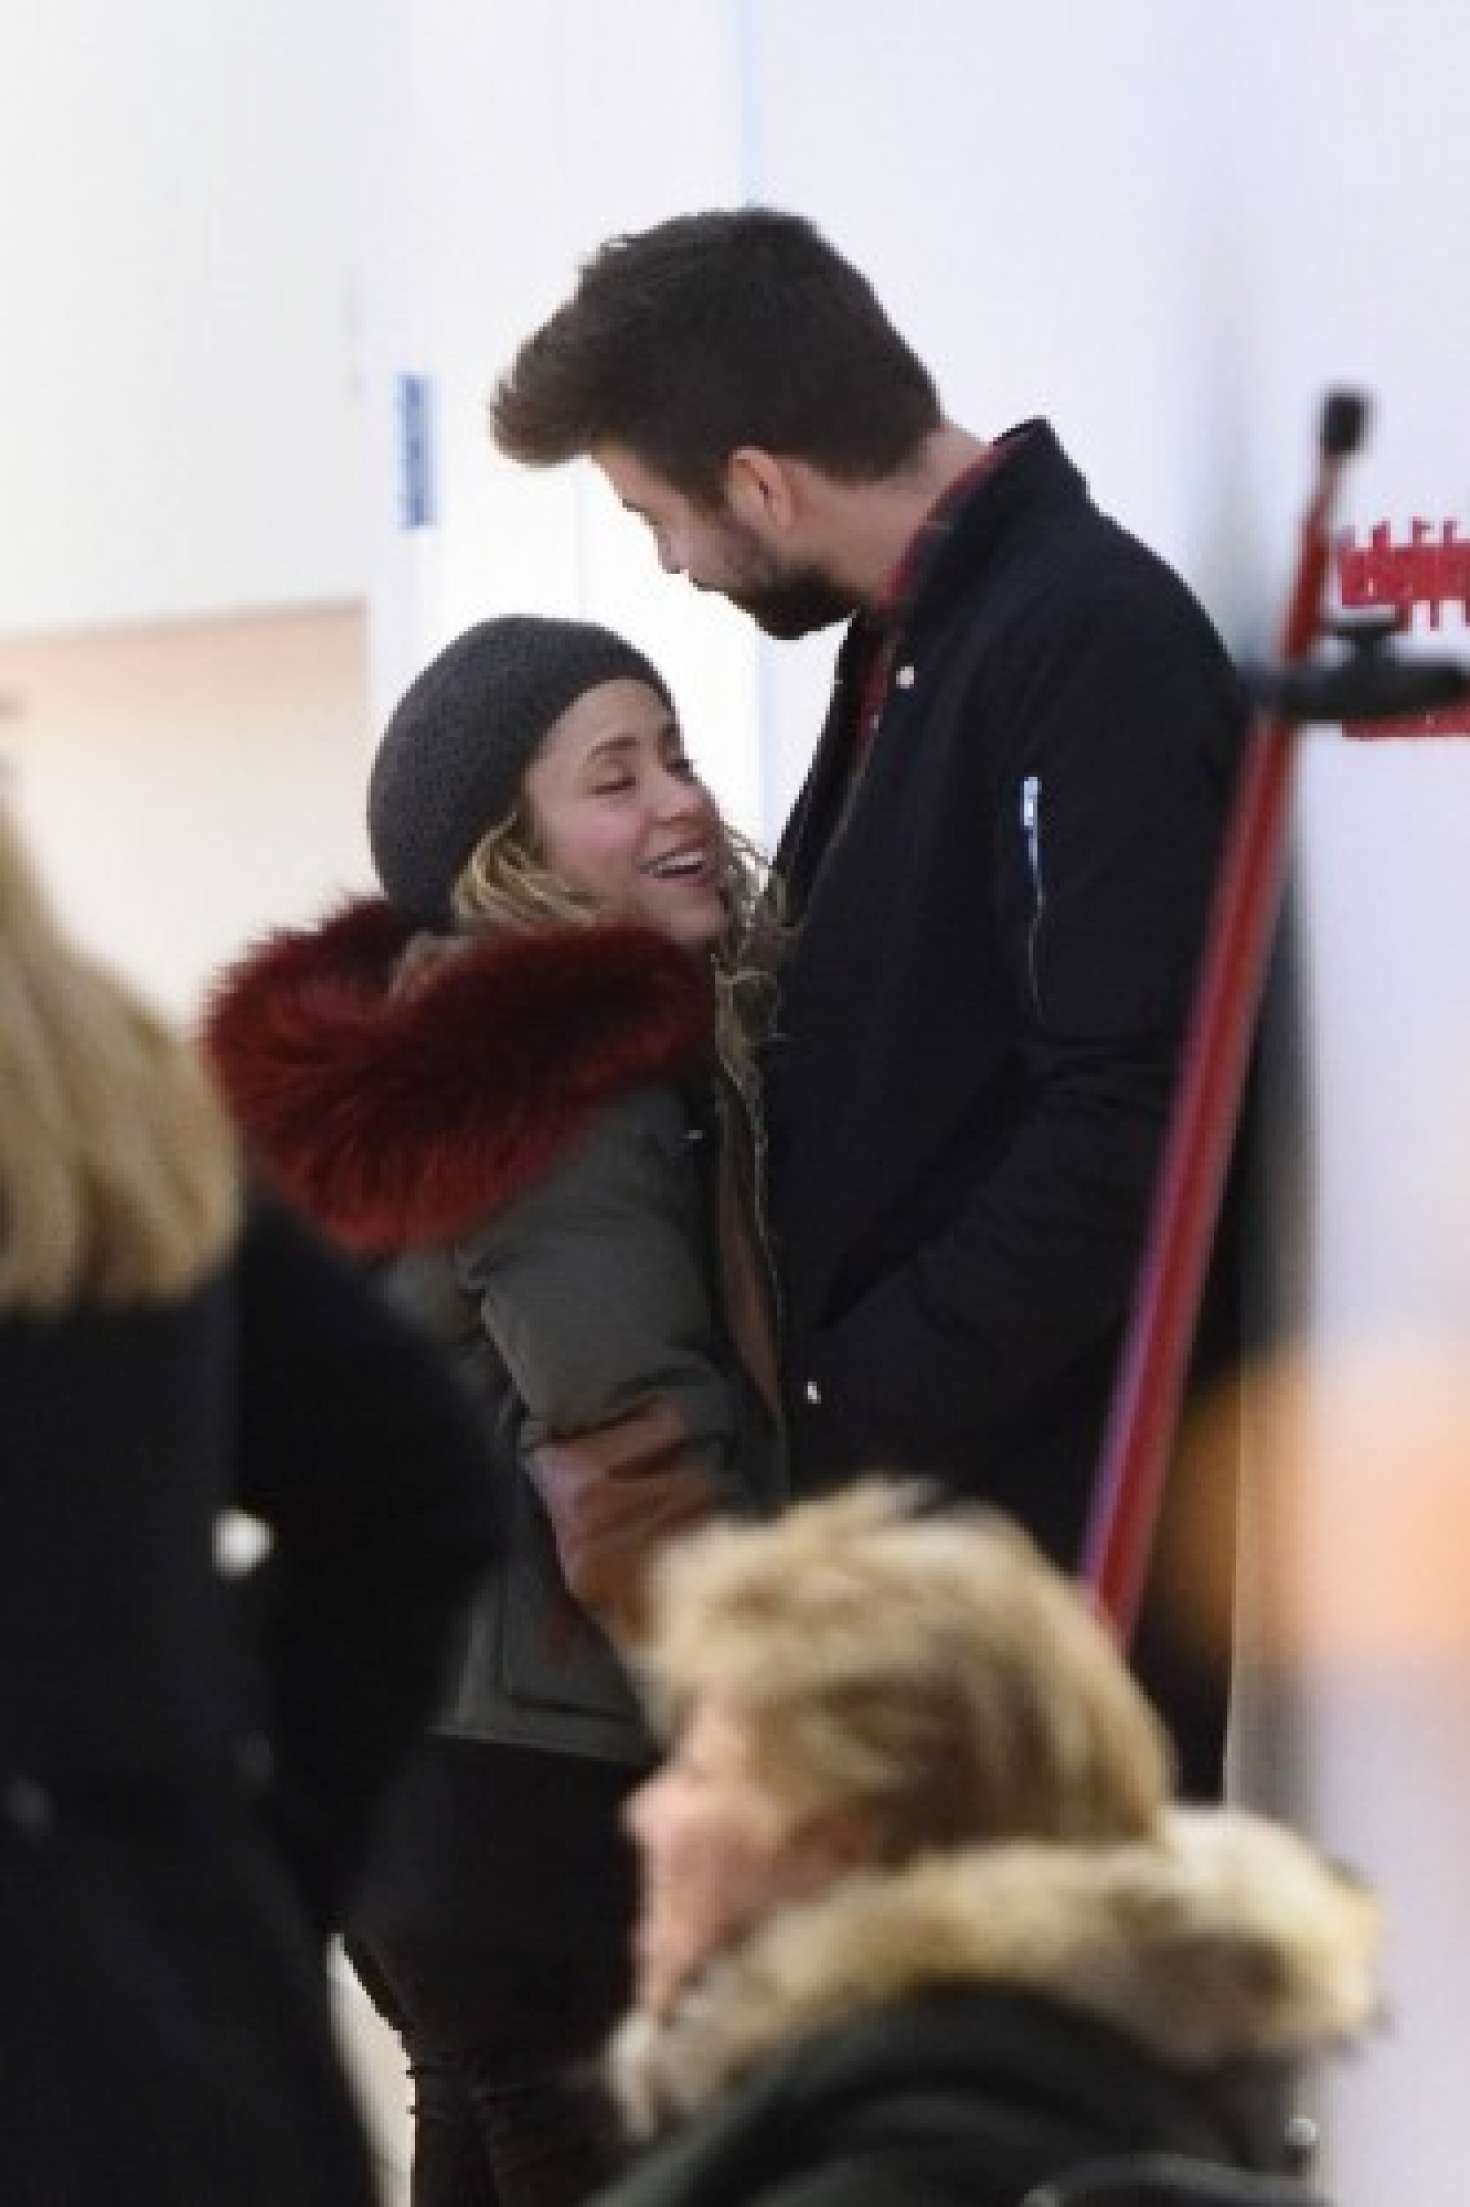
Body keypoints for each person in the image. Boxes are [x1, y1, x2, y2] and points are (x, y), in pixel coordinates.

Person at [491, 208, 1251, 1795]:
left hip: (1039, 1587)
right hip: (927, 1565)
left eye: (658, 518)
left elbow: (1133, 1124)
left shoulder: (1078, 638)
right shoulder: (912, 645)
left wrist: (845, 1394)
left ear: (759, 483)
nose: (672, 564)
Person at [205, 614, 784, 2207]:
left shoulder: (423, 1054)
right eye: (613, 775)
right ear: (504, 849)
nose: (676, 798)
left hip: (414, 1781)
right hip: (538, 1785)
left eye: (674, 751)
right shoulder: (553, 1074)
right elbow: (629, 1449)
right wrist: (770, 1723)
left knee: (479, 2138)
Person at [0, 798, 500, 2206]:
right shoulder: (104, 1104)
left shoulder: (101, 1107)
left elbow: (414, 1483)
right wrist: (240, 1829)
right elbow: (414, 1484)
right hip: (176, 2021)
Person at [586, 1482, 1379, 2207]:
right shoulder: (1076, 2100)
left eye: (699, 1772)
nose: (647, 1813)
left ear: (844, 1837)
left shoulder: (903, 2163)